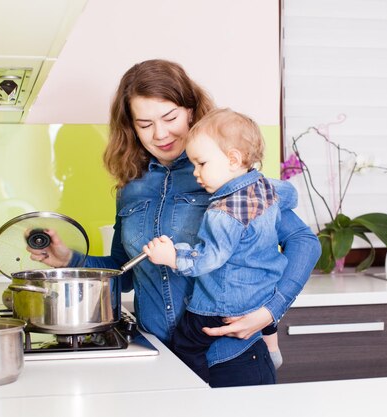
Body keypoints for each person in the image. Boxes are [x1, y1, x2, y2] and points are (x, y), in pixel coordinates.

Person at [27, 59, 321, 387]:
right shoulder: (131, 187)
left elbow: (304, 241)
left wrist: (270, 312)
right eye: (145, 123)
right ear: (131, 127)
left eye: (170, 117)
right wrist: (68, 259)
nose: (161, 133)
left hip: (232, 358)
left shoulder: (223, 172)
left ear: (191, 111)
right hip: (158, 359)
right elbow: (123, 272)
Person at [142, 108, 290, 382]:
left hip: (223, 305)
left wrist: (172, 256)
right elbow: (290, 196)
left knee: (186, 344)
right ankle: (272, 344)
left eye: (201, 163)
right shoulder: (264, 186)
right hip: (262, 293)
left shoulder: (222, 212)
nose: (196, 173)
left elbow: (207, 260)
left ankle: (198, 390)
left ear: (233, 159)